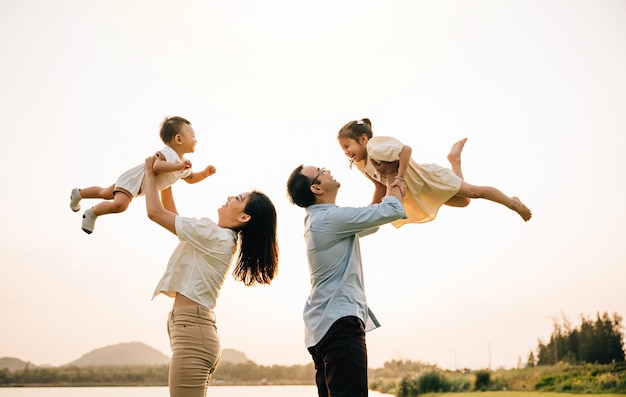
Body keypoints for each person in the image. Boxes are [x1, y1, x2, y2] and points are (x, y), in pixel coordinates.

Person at [144, 155, 279, 397]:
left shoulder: (215, 236)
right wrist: (168, 180)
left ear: (244, 217)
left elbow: (155, 212)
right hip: (193, 330)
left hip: (193, 333)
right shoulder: (219, 237)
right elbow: (170, 214)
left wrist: (150, 171)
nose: (229, 198)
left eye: (237, 199)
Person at [286, 163, 405, 397]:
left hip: (323, 327)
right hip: (338, 324)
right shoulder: (330, 219)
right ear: (316, 188)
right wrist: (394, 174)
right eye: (320, 171)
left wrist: (380, 185)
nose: (327, 169)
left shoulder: (322, 220)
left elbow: (372, 219)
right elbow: (391, 210)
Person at [337, 118, 532, 226]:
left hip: (429, 179)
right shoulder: (362, 165)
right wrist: (371, 211)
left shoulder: (374, 147)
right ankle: (454, 161)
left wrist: (401, 178)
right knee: (464, 202)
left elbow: (406, 150)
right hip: (420, 190)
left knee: (474, 192)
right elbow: (379, 186)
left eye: (348, 146)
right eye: (343, 149)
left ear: (363, 139)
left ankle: (512, 202)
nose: (346, 152)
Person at [69, 116, 216, 234]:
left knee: (105, 192)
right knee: (120, 205)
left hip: (138, 186)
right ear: (178, 139)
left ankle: (79, 193)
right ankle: (92, 213)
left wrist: (204, 173)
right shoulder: (168, 154)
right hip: (133, 179)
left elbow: (190, 179)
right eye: (192, 136)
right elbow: (156, 166)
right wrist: (178, 166)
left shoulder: (183, 163)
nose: (195, 140)